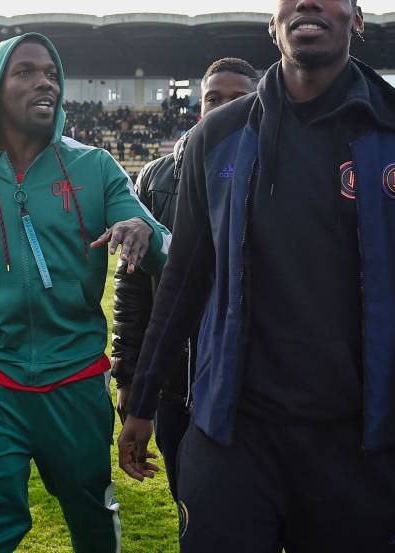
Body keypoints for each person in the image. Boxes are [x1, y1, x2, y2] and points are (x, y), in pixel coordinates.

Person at [118, 0, 395, 552]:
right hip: (233, 436)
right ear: (273, 17)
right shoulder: (216, 140)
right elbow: (185, 280)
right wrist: (142, 401)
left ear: (355, 16)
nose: (309, 1)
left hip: (358, 445)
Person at [0, 33, 170, 553]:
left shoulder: (94, 166)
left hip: (74, 383)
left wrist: (146, 234)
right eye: (25, 72)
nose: (44, 80)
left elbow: (164, 244)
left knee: (93, 518)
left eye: (50, 71)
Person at [111, 57, 258, 513]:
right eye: (214, 98)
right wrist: (129, 376)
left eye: (239, 100)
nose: (223, 108)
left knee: (253, 510)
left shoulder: (278, 172)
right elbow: (132, 287)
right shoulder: (156, 177)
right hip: (176, 384)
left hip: (253, 385)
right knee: (190, 505)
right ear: (199, 107)